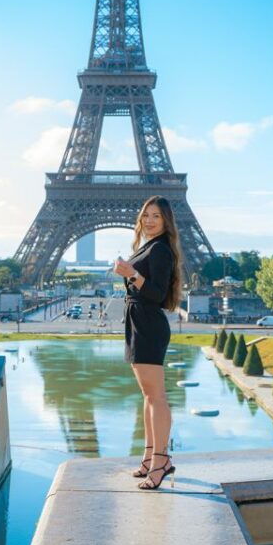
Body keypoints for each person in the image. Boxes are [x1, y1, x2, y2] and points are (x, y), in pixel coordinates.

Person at [113, 195, 183, 490]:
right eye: (146, 215)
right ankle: (149, 457)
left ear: (166, 221)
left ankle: (161, 460)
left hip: (149, 324)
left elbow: (157, 294)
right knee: (148, 396)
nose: (150, 221)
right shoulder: (148, 246)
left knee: (157, 397)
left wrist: (131, 273)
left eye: (157, 216)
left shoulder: (161, 249)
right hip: (138, 321)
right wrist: (129, 273)